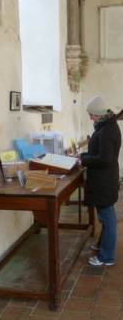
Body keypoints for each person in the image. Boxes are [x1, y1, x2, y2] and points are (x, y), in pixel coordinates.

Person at [80, 95, 121, 266]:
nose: (90, 117)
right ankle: (102, 246)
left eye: (92, 115)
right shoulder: (107, 126)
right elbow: (101, 155)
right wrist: (84, 156)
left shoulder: (107, 130)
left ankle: (106, 257)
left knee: (107, 218)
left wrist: (83, 159)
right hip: (105, 180)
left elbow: (105, 159)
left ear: (100, 114)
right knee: (106, 217)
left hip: (104, 181)